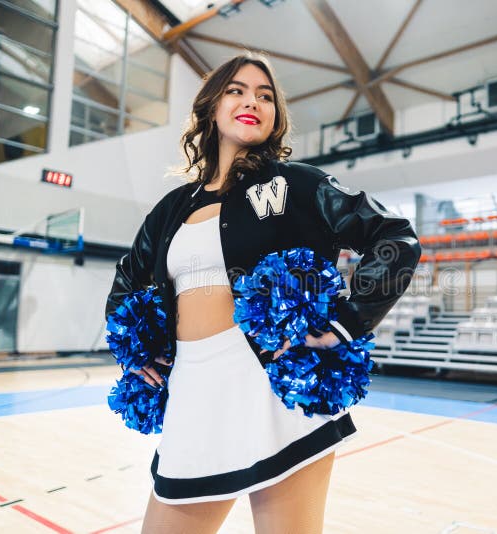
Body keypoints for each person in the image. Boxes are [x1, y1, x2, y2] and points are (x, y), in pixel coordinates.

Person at [105, 52, 421, 534]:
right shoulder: (171, 209)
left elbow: (394, 238)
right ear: (211, 107)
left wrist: (346, 323)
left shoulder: (297, 185)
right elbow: (128, 279)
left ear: (275, 116)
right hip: (193, 393)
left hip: (275, 395)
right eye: (236, 90)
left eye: (265, 95)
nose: (252, 101)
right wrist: (135, 352)